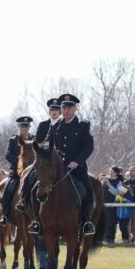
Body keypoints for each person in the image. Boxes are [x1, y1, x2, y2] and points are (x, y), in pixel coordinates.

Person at [45, 93, 95, 235]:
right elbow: (48, 145)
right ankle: (38, 221)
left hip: (76, 169)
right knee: (39, 187)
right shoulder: (56, 126)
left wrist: (77, 162)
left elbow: (88, 147)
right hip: (57, 170)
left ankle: (86, 222)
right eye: (64, 107)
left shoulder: (83, 125)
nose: (66, 110)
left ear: (75, 109)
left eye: (69, 107)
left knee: (89, 191)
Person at [15, 98, 61, 229]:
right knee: (29, 176)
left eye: (56, 109)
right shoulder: (43, 125)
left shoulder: (64, 124)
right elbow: (38, 142)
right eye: (52, 109)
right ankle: (24, 203)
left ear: (60, 112)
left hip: (61, 161)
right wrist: (47, 147)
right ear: (49, 111)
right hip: (44, 159)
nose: (54, 112)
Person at [0, 116, 35, 228]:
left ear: (29, 127)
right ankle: (4, 215)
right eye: (22, 126)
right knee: (8, 188)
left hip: (31, 172)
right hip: (16, 172)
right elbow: (8, 155)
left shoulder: (34, 139)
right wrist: (20, 161)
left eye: (26, 126)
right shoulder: (13, 140)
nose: (24, 128)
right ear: (19, 127)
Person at [103, 166, 130, 243]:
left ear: (116, 173)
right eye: (109, 171)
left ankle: (110, 239)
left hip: (113, 205)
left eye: (111, 171)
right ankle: (105, 238)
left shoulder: (119, 182)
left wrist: (110, 186)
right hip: (104, 204)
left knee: (111, 222)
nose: (109, 172)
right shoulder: (106, 180)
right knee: (106, 222)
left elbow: (117, 193)